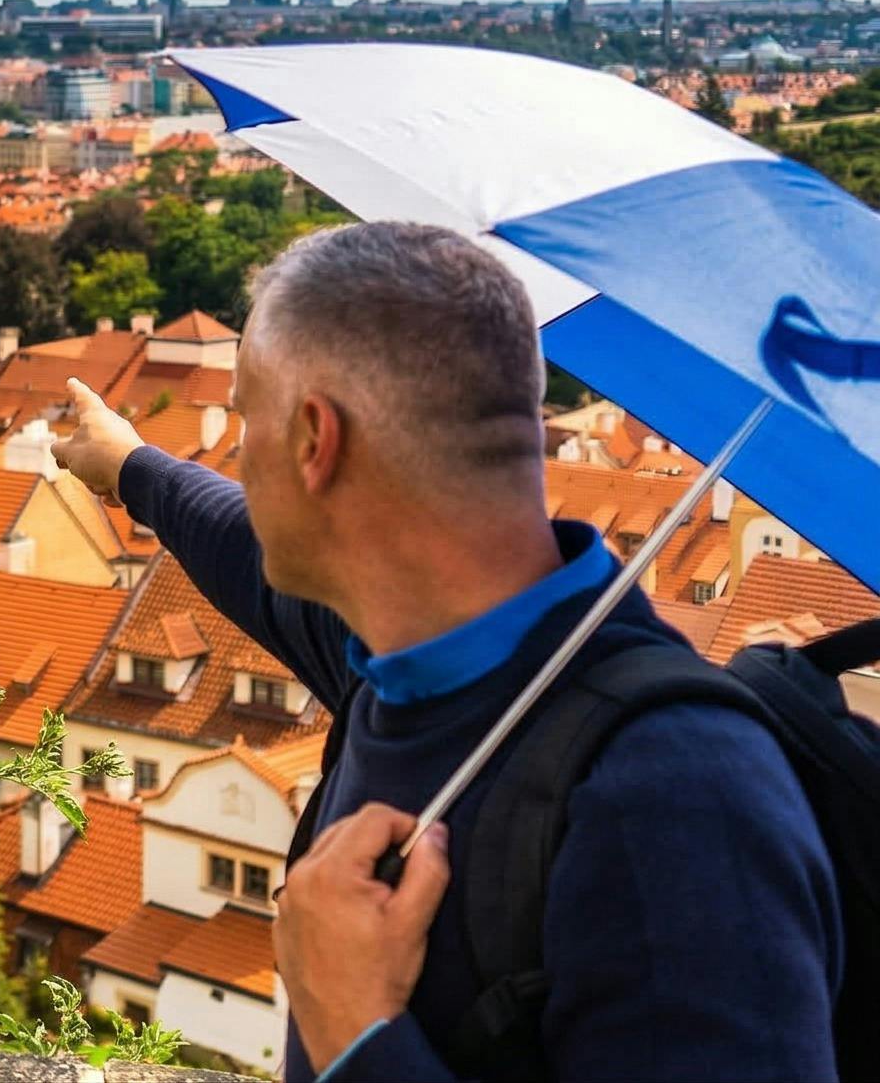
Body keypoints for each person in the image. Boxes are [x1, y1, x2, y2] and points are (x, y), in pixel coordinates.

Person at [56, 221, 840, 1083]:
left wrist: (356, 1034)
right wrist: (128, 465)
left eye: (246, 419)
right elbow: (243, 549)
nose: (240, 455)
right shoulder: (403, 647)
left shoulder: (675, 795)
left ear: (315, 440)